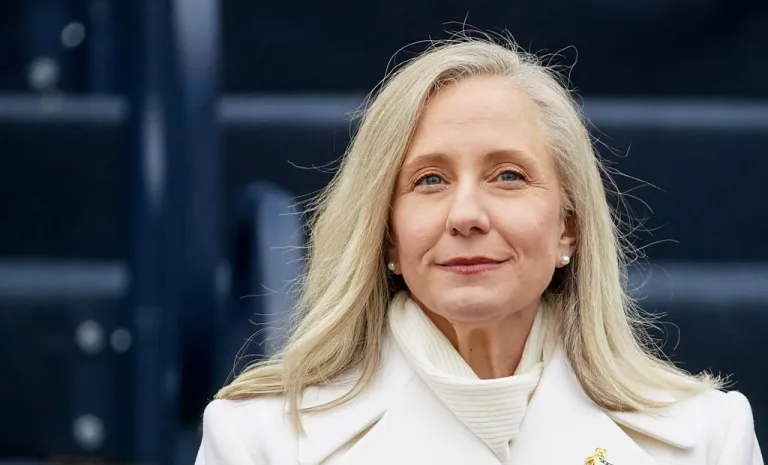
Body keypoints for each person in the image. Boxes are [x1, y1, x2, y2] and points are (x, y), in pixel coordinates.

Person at [195, 36, 763, 464]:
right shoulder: (258, 440)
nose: (466, 215)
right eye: (429, 181)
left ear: (569, 228)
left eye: (509, 176)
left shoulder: (706, 437)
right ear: (387, 235)